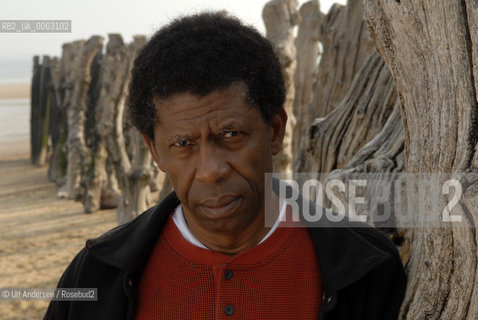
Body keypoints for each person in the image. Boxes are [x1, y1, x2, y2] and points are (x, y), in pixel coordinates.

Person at [44, 12, 406, 320]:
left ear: (275, 130)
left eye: (231, 134)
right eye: (183, 144)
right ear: (153, 151)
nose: (210, 169)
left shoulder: (368, 269)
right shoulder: (93, 278)